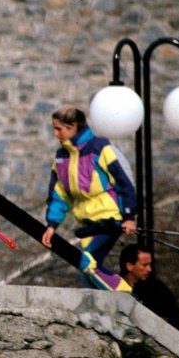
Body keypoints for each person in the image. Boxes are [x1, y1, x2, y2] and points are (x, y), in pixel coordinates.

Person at [41, 106, 137, 292]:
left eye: (59, 128)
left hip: (110, 218)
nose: (55, 133)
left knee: (89, 264)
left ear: (73, 127)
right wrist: (51, 225)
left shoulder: (101, 149)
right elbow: (59, 195)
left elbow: (125, 183)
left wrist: (129, 217)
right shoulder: (62, 158)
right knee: (86, 273)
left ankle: (128, 296)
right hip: (88, 223)